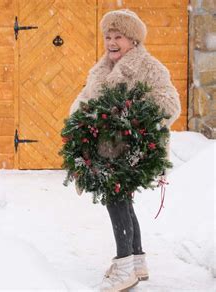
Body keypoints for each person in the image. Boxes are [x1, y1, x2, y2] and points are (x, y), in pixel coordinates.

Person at [69, 9, 181, 292]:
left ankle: (124, 267)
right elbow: (84, 98)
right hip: (106, 147)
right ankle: (137, 260)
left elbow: (170, 104)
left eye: (118, 36)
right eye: (108, 36)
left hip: (133, 148)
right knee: (120, 200)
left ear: (132, 40)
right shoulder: (101, 68)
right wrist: (77, 121)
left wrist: (129, 114)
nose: (111, 42)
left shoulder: (149, 67)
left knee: (115, 198)